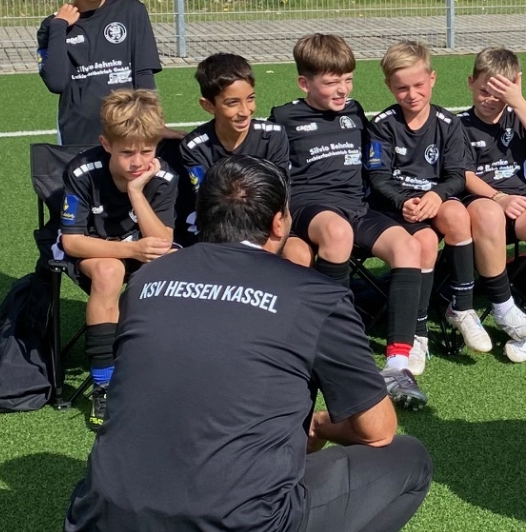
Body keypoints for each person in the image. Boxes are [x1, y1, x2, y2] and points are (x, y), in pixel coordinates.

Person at [65, 156, 431, 532]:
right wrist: (318, 424)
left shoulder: (148, 280)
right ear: (280, 222)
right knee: (409, 461)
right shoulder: (316, 294)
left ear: (201, 214)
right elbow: (377, 430)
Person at [270, 34, 434, 402]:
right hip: (310, 207)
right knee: (337, 231)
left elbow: (374, 167)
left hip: (356, 206)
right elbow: (274, 177)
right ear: (304, 83)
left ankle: (398, 365)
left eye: (348, 80)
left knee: (408, 246)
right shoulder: (284, 117)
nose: (342, 89)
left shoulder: (354, 111)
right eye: (331, 82)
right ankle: (340, 345)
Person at [57, 89, 180, 427]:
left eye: (146, 151)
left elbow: (162, 242)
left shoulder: (164, 177)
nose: (137, 162)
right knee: (110, 271)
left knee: (173, 265)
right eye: (126, 152)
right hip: (94, 251)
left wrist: (137, 192)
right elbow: (72, 242)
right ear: (106, 144)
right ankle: (104, 383)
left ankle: (161, 368)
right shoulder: (83, 171)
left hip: (142, 251)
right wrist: (130, 250)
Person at [365, 41, 475, 407]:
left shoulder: (448, 123)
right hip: (393, 209)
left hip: (431, 202)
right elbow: (377, 176)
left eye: (418, 85)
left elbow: (457, 175)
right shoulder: (382, 125)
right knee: (425, 242)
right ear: (389, 86)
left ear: (432, 79)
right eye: (401, 88)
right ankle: (418, 332)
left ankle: (463, 305)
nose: (411, 94)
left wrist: (437, 196)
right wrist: (403, 201)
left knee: (457, 214)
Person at [458, 47, 526, 363]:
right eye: (484, 91)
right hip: (480, 201)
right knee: (489, 213)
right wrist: (498, 197)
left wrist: (518, 102)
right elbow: (463, 175)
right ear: (470, 83)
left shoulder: (518, 117)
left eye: (499, 94)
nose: (490, 100)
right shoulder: (458, 124)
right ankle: (504, 308)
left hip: (520, 201)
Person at [37, 0, 162, 147]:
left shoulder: (131, 11)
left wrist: (153, 122)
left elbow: (143, 74)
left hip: (129, 134)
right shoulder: (53, 26)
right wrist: (59, 25)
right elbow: (56, 83)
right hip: (78, 136)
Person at [177, 52, 294, 249]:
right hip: (220, 229)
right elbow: (211, 205)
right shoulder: (195, 147)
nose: (245, 111)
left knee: (297, 253)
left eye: (250, 99)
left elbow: (280, 198)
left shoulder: (273, 137)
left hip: (266, 227)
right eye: (232, 103)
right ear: (208, 105)